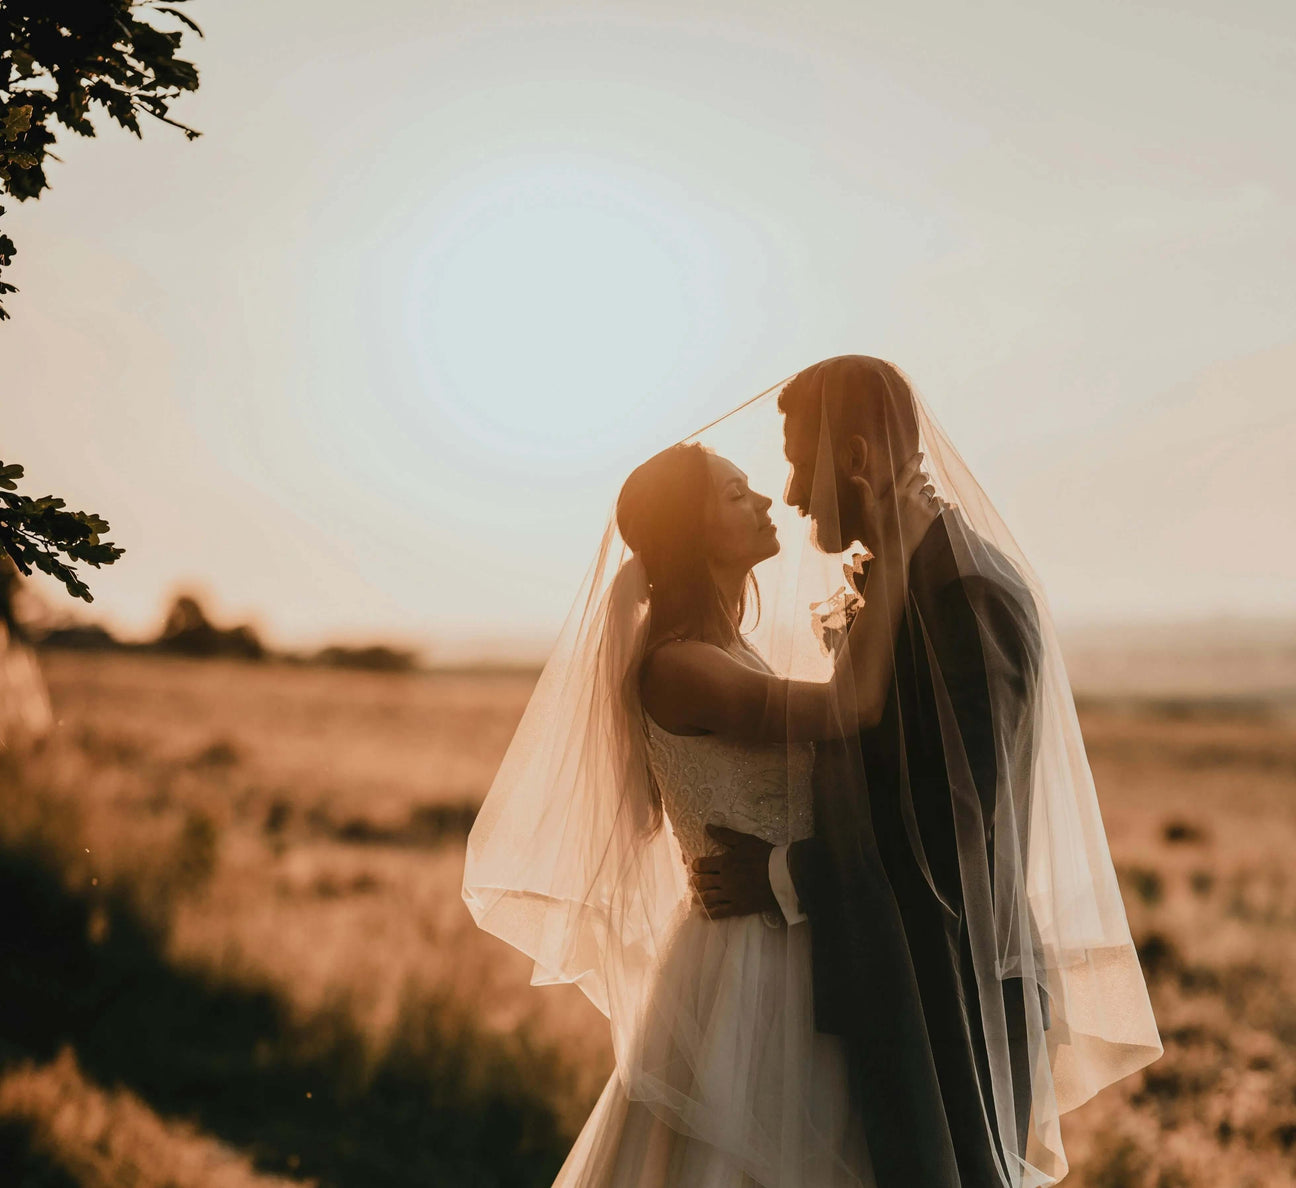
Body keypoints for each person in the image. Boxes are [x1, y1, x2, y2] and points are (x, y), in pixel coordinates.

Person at [463, 358, 1161, 1188]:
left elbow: (953, 827)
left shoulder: (967, 596)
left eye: (794, 466)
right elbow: (852, 721)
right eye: (743, 490)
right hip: (798, 974)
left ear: (858, 459)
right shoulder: (691, 661)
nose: (786, 497)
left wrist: (784, 872)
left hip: (945, 984)